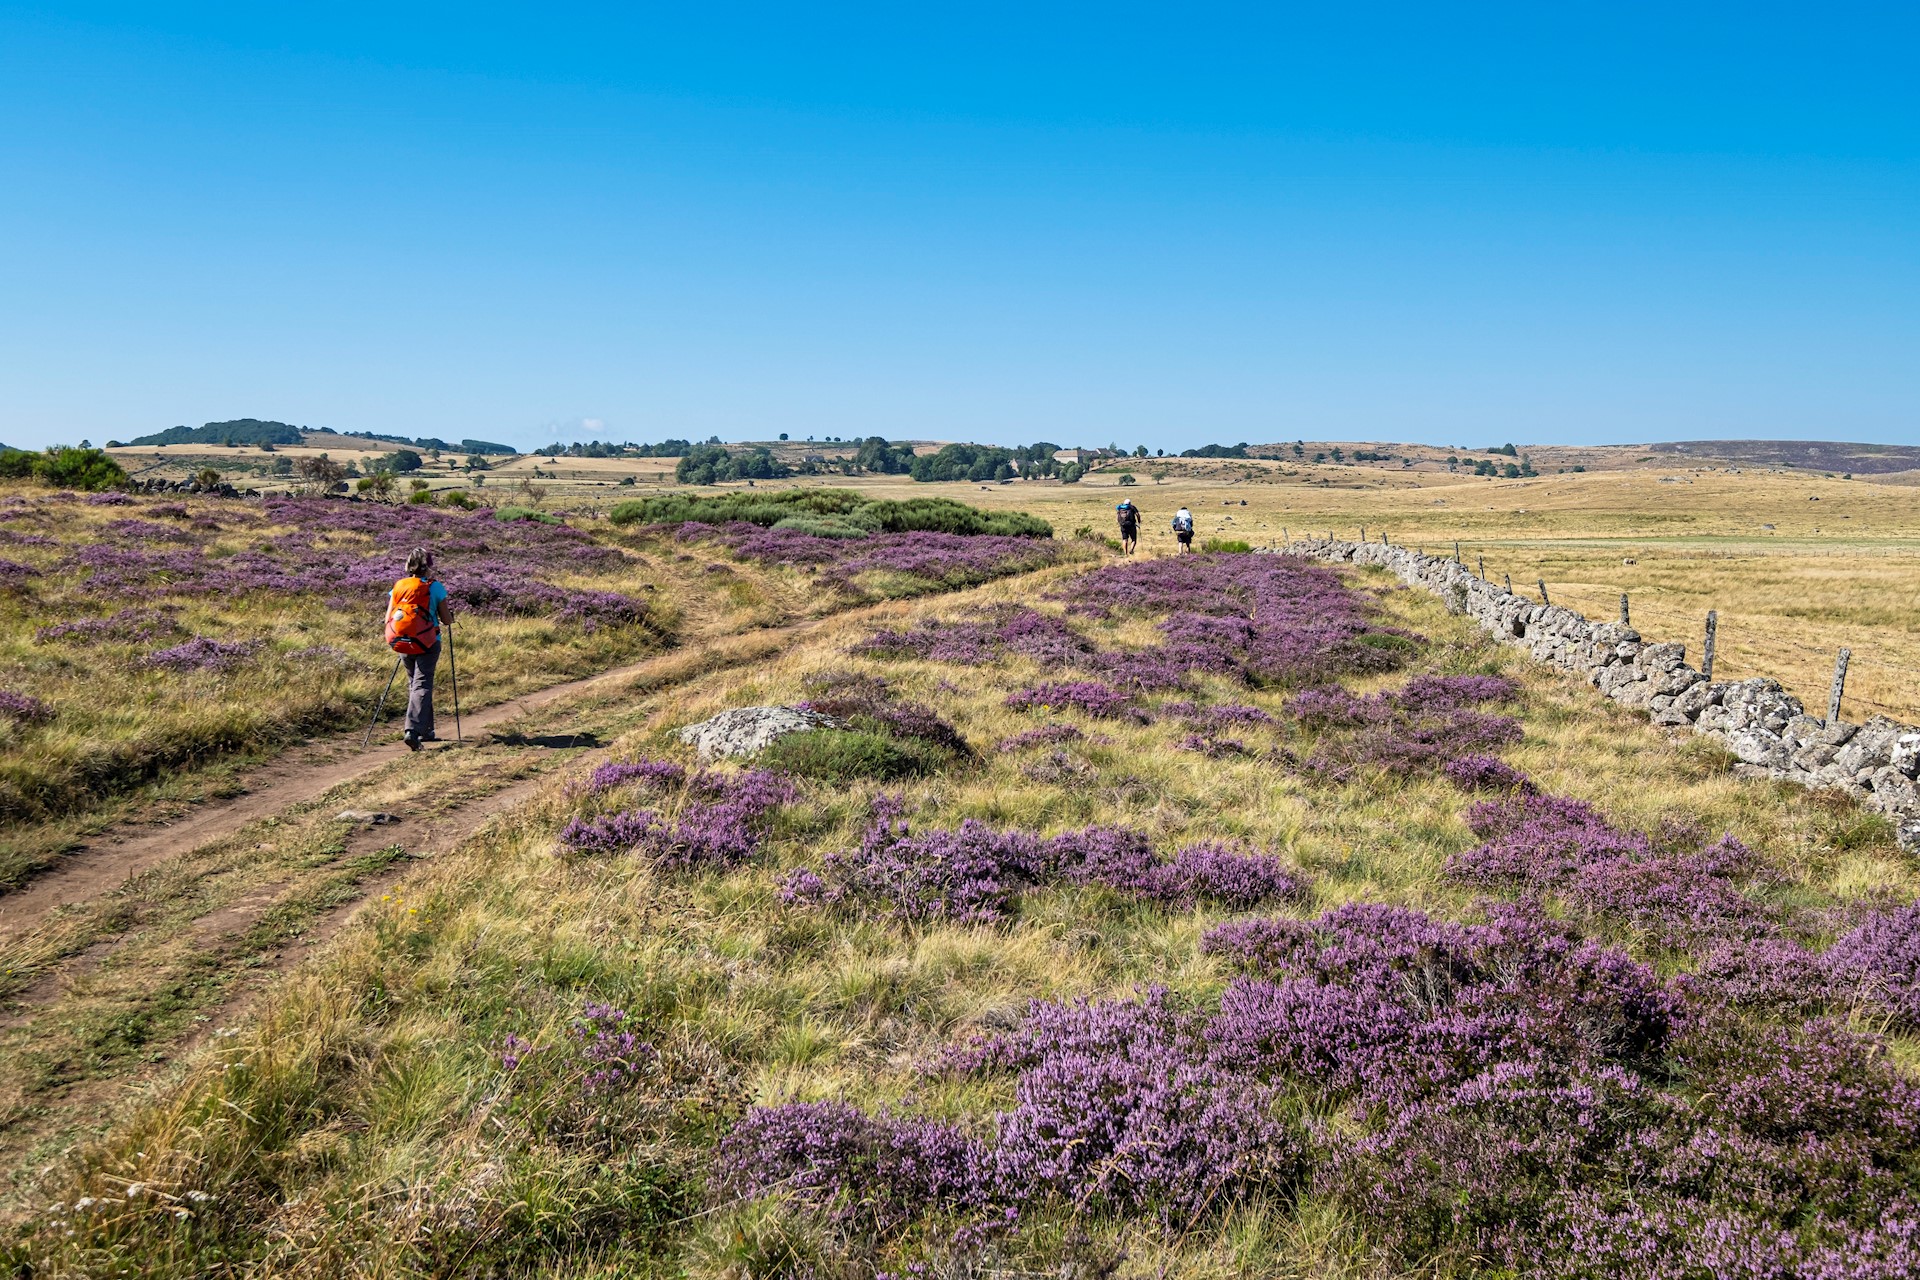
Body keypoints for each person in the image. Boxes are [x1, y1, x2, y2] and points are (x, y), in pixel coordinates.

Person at [385, 547, 455, 750]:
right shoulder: (435, 587)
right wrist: (450, 618)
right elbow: (446, 619)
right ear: (428, 566)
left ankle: (426, 730)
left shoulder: (398, 586)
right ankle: (412, 731)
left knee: (414, 684)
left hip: (402, 641)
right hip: (429, 642)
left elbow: (388, 617)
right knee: (422, 684)